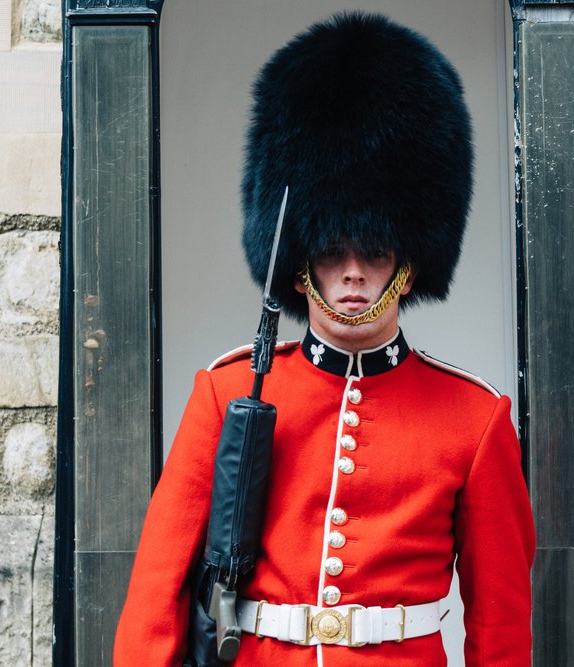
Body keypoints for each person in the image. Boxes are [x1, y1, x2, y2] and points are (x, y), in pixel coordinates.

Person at [114, 12, 535, 666]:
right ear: (300, 259)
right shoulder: (227, 393)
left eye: (373, 249)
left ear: (410, 259)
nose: (352, 272)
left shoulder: (474, 422)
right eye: (332, 248)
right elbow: (155, 595)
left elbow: (500, 627)